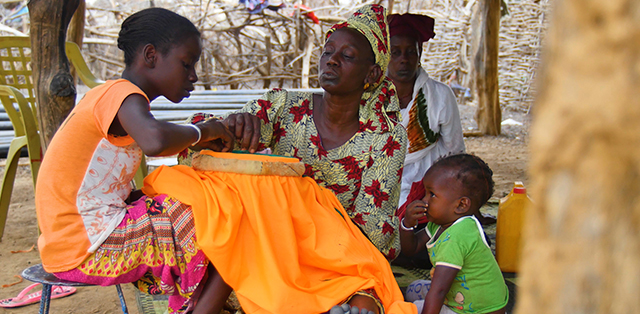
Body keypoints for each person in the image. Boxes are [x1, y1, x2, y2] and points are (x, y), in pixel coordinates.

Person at [35, 8, 236, 314]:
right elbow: (156, 141)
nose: (194, 75)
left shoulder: (117, 101)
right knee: (227, 218)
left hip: (73, 243)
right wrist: (202, 131)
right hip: (86, 246)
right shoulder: (120, 94)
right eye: (186, 63)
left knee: (206, 209)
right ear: (151, 55)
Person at [179, 4, 407, 261]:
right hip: (273, 245)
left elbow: (373, 234)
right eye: (327, 51)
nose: (331, 60)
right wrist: (234, 124)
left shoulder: (385, 137)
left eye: (348, 56)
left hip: (337, 259)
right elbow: (201, 141)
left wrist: (306, 234)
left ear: (372, 73)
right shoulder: (285, 107)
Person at [400, 154, 508, 314]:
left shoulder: (457, 236)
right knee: (412, 289)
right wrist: (407, 224)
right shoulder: (442, 223)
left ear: (461, 205)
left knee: (407, 309)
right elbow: (411, 248)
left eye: (432, 195)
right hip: (464, 296)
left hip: (478, 310)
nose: (424, 200)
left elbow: (439, 291)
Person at [386, 13, 465, 216]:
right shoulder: (368, 95)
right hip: (380, 182)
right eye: (395, 52)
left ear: (420, 54)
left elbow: (454, 152)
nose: (404, 59)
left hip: (427, 185)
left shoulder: (440, 95)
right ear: (385, 55)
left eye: (411, 52)